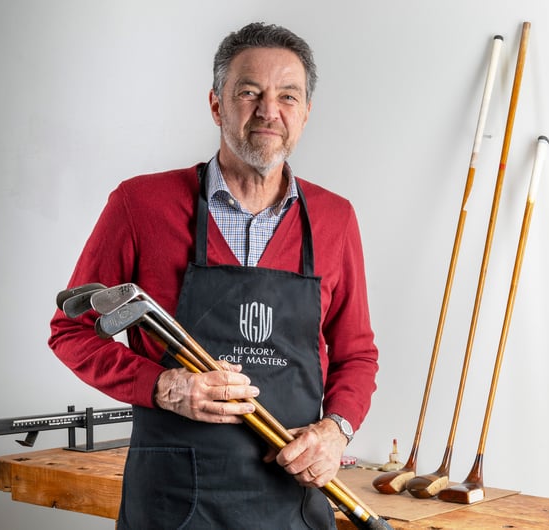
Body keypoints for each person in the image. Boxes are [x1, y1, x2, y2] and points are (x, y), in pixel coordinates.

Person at [49, 22, 379, 529]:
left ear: (306, 113)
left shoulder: (336, 219)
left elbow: (356, 354)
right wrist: (161, 385)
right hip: (172, 505)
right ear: (216, 104)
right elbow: (70, 331)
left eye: (288, 96)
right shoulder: (140, 205)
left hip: (290, 502)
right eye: (249, 92)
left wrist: (336, 431)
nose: (269, 111)